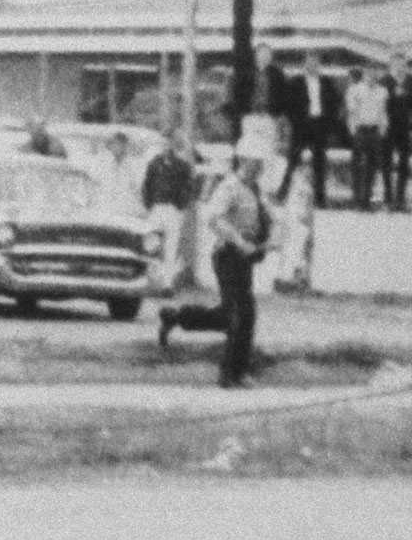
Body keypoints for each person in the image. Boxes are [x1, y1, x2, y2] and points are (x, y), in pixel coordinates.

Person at [157, 134, 275, 387]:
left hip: (245, 259)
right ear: (243, 160)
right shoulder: (229, 187)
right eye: (256, 162)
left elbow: (260, 220)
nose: (260, 168)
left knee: (228, 315)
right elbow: (212, 218)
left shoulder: (254, 190)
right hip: (228, 257)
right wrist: (238, 240)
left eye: (261, 163)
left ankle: (177, 317)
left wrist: (265, 238)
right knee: (241, 315)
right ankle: (230, 375)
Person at [275, 50, 341, 205]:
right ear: (305, 64)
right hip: (301, 126)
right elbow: (287, 104)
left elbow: (334, 104)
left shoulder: (326, 82)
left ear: (319, 65)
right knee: (293, 161)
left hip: (319, 125)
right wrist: (295, 121)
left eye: (316, 62)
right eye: (310, 62)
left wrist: (328, 124)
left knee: (319, 163)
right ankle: (282, 194)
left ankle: (320, 199)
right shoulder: (296, 81)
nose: (313, 65)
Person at [141, 130, 202, 290]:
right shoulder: (154, 164)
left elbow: (188, 187)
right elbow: (147, 185)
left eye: (169, 142)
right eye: (163, 142)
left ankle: (167, 282)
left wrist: (180, 205)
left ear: (174, 144)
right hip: (157, 207)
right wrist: (150, 204)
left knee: (171, 246)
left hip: (173, 209)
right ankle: (151, 279)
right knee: (152, 244)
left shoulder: (182, 166)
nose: (166, 145)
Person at [345, 64, 389, 210]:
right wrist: (353, 130)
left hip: (374, 131)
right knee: (357, 166)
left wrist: (383, 129)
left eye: (374, 73)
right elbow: (351, 111)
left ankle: (366, 200)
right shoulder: (355, 90)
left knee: (371, 167)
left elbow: (383, 112)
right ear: (364, 74)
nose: (372, 76)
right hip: (360, 130)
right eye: (369, 73)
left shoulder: (383, 91)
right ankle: (357, 200)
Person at [383, 54, 412, 211]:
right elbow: (380, 103)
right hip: (388, 127)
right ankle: (388, 199)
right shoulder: (384, 81)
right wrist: (393, 95)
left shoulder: (411, 80)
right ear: (391, 65)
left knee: (404, 164)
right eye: (397, 65)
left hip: (405, 127)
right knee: (387, 163)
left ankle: (401, 199)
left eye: (403, 65)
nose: (400, 68)